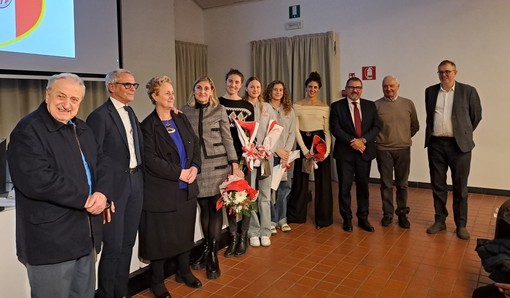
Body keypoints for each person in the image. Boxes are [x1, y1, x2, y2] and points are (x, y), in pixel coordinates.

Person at [8, 73, 113, 297]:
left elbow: (102, 163)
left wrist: (103, 193)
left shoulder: (82, 128)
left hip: (86, 238)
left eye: (74, 99)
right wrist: (86, 198)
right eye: (61, 96)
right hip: (51, 243)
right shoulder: (27, 131)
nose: (67, 105)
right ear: (47, 95)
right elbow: (37, 180)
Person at [139, 76, 202, 297]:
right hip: (163, 192)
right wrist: (180, 173)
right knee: (160, 239)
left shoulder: (180, 118)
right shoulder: (147, 126)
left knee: (185, 234)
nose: (171, 96)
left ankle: (183, 271)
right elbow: (151, 159)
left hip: (187, 189)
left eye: (172, 92)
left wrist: (194, 166)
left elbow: (194, 143)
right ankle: (156, 281)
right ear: (154, 96)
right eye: (166, 93)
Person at [87, 69, 144, 298]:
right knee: (113, 247)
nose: (132, 88)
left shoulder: (130, 113)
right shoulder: (99, 116)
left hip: (136, 182)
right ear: (112, 87)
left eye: (133, 85)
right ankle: (106, 295)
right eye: (127, 84)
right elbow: (94, 158)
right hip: (115, 190)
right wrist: (105, 192)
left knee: (128, 243)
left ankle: (121, 291)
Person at [182, 76, 242, 279]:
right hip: (197, 168)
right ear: (194, 90)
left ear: (212, 91)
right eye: (199, 87)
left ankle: (213, 257)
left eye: (206, 88)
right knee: (204, 210)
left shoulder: (220, 110)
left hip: (218, 167)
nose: (202, 91)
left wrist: (234, 164)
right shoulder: (185, 111)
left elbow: (227, 138)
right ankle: (206, 249)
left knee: (215, 211)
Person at [424, 60, 482, 240]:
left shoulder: (468, 91)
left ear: (455, 73)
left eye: (448, 72)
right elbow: (429, 115)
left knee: (460, 188)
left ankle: (461, 224)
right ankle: (440, 220)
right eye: (441, 72)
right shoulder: (430, 91)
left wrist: (462, 134)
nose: (444, 75)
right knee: (438, 185)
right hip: (436, 145)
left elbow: (476, 116)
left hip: (459, 147)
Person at [330, 77, 381, 233]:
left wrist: (363, 140)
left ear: (362, 89)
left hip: (364, 153)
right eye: (351, 87)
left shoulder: (370, 106)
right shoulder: (337, 106)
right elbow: (335, 128)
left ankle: (363, 218)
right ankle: (347, 219)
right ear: (346, 89)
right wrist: (352, 140)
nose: (355, 90)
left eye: (358, 87)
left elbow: (376, 126)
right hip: (345, 154)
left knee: (363, 188)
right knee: (344, 188)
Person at [288, 72, 333, 229]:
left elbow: (327, 131)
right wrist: (305, 150)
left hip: (320, 142)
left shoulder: (325, 107)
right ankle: (296, 215)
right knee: (300, 180)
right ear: (305, 88)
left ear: (319, 89)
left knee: (323, 182)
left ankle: (324, 219)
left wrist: (325, 153)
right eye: (310, 87)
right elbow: (295, 130)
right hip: (303, 143)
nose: (312, 89)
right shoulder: (297, 106)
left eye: (315, 87)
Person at [375, 75, 420, 228]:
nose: (388, 89)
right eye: (385, 86)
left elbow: (415, 126)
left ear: (398, 86)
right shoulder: (376, 106)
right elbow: (373, 128)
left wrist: (403, 138)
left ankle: (402, 214)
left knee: (402, 184)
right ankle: (387, 214)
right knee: (386, 184)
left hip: (403, 150)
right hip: (383, 150)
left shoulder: (408, 104)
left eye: (391, 86)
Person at [219, 69, 255, 257]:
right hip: (223, 157)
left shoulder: (247, 106)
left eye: (237, 82)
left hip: (242, 158)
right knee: (230, 199)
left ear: (241, 85)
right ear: (225, 81)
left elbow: (252, 134)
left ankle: (244, 236)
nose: (233, 85)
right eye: (230, 81)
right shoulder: (217, 103)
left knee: (245, 198)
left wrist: (249, 153)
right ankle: (232, 237)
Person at [244, 77, 276, 247]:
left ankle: (265, 231)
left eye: (258, 86)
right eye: (252, 86)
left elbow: (275, 129)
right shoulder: (243, 107)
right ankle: (253, 230)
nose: (255, 89)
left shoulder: (268, 108)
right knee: (251, 194)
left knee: (264, 195)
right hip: (249, 156)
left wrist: (266, 148)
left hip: (264, 157)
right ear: (247, 89)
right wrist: (250, 149)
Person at [265, 80, 296, 234]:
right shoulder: (264, 108)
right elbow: (264, 133)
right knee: (270, 188)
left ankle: (282, 219)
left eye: (281, 90)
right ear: (270, 91)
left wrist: (286, 154)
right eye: (275, 89)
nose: (278, 92)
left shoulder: (289, 111)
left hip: (286, 156)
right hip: (270, 154)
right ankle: (271, 219)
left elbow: (292, 133)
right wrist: (276, 150)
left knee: (285, 187)